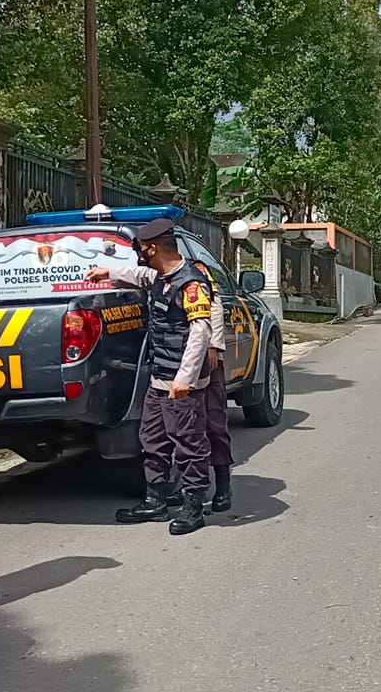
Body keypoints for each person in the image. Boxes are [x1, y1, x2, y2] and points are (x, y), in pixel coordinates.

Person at [84, 218, 216, 535]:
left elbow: (200, 333)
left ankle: (193, 506)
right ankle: (155, 500)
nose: (139, 255)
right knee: (153, 440)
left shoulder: (191, 283)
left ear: (153, 248)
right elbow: (141, 275)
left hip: (180, 382)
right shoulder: (162, 276)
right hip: (160, 377)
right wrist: (108, 272)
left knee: (188, 442)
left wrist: (184, 378)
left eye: (142, 249)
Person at [165, 260, 234, 512]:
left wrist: (213, 346)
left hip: (206, 358)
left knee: (213, 422)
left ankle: (223, 484)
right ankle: (187, 487)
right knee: (181, 427)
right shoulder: (160, 271)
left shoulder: (194, 268)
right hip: (174, 360)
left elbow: (213, 306)